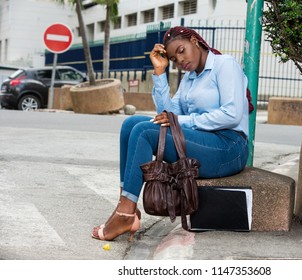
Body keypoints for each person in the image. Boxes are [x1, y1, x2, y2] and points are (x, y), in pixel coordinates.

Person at [91, 26, 250, 241]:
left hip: (229, 147)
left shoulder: (225, 65)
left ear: (195, 40)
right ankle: (126, 206)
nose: (180, 61)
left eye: (182, 51)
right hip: (202, 142)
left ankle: (125, 214)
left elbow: (231, 114)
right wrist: (159, 73)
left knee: (145, 131)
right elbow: (167, 116)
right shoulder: (190, 79)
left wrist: (183, 120)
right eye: (174, 59)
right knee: (131, 124)